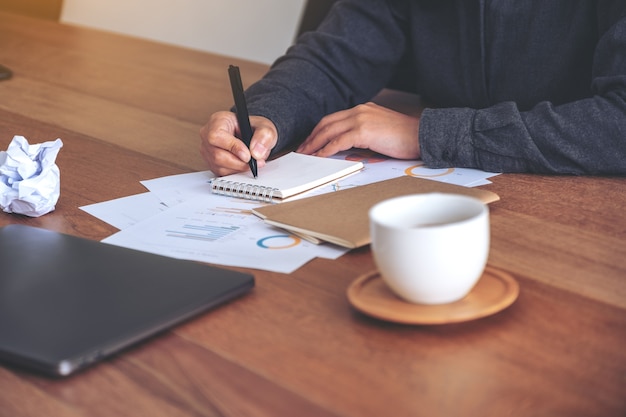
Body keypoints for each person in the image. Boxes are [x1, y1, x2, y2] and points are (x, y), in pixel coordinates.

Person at [200, 0, 626, 176]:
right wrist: (266, 113)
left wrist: (424, 133)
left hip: (575, 208)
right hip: (444, 192)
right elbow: (335, 58)